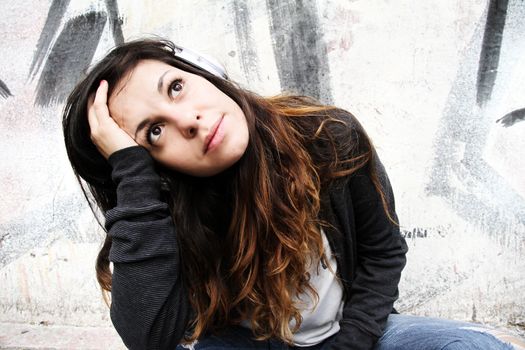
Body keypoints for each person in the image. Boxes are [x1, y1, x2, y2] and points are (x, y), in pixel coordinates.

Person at [62, 38, 519, 350]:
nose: (189, 121)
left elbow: (383, 253)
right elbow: (150, 337)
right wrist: (132, 175)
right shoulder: (166, 203)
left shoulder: (327, 137)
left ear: (205, 71)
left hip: (348, 336)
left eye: (176, 87)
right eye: (154, 131)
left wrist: (351, 343)